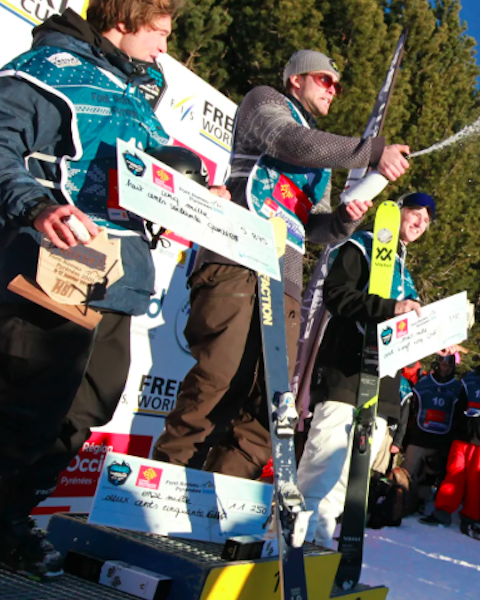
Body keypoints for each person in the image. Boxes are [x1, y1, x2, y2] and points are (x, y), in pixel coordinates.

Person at [0, 0, 183, 592]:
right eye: (160, 32)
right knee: (25, 404)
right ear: (122, 22)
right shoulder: (45, 72)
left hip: (119, 279)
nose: (165, 47)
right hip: (53, 261)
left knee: (84, 408)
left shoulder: (141, 97)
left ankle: (5, 522)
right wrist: (36, 205)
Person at [152, 46, 410, 477]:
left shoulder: (320, 164)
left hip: (285, 281)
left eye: (337, 86)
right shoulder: (265, 103)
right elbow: (290, 142)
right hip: (236, 263)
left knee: (267, 405)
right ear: (296, 79)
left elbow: (313, 227)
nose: (334, 90)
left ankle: (219, 507)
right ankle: (162, 497)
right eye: (326, 79)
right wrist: (371, 151)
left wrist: (343, 222)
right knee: (216, 384)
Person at [294, 193, 431, 546]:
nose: (421, 223)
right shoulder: (361, 247)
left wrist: (434, 336)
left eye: (427, 221)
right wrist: (391, 307)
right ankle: (290, 542)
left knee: (348, 478)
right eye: (416, 214)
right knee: (323, 464)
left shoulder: (405, 274)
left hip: (382, 385)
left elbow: (406, 326)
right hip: (347, 371)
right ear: (397, 211)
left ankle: (319, 543)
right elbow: (336, 295)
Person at [422, 342, 480, 531]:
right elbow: (459, 406)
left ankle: (470, 516)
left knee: (476, 481)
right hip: (464, 435)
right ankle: (443, 511)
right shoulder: (469, 378)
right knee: (453, 474)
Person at [398, 353, 463, 514]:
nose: (444, 364)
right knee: (408, 470)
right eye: (442, 360)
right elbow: (414, 406)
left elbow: (458, 415)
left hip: (440, 438)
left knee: (429, 474)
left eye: (448, 362)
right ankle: (400, 499)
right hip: (419, 435)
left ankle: (420, 501)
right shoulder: (425, 382)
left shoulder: (457, 387)